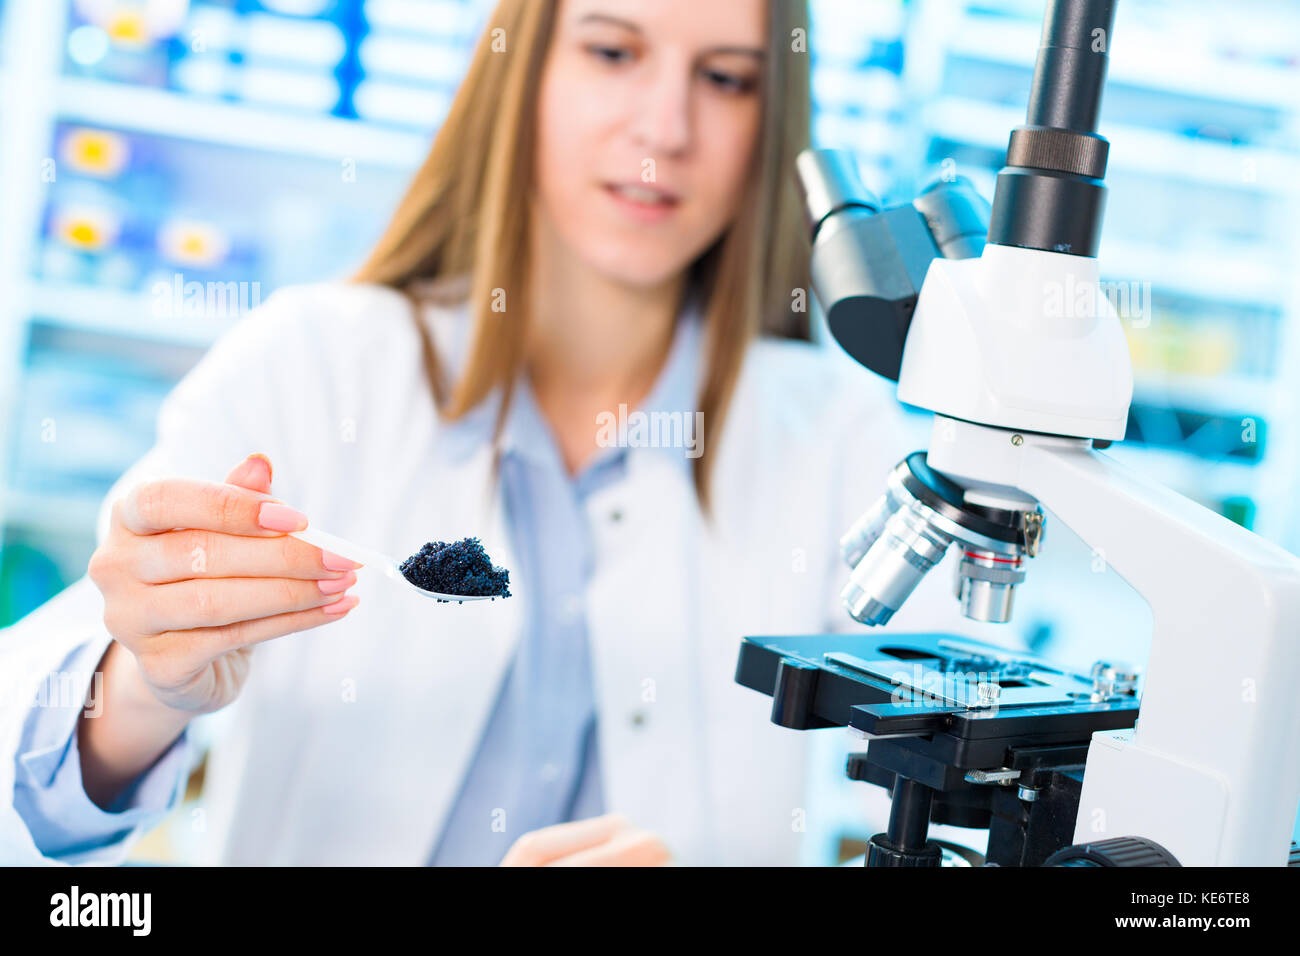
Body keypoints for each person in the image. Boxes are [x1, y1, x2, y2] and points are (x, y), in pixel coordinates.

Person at [0, 0, 972, 866]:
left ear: (773, 123)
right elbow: (38, 761)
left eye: (724, 78)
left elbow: (963, 765)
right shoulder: (308, 365)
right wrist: (145, 686)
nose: (662, 129)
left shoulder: (835, 432)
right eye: (611, 51)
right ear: (522, 67)